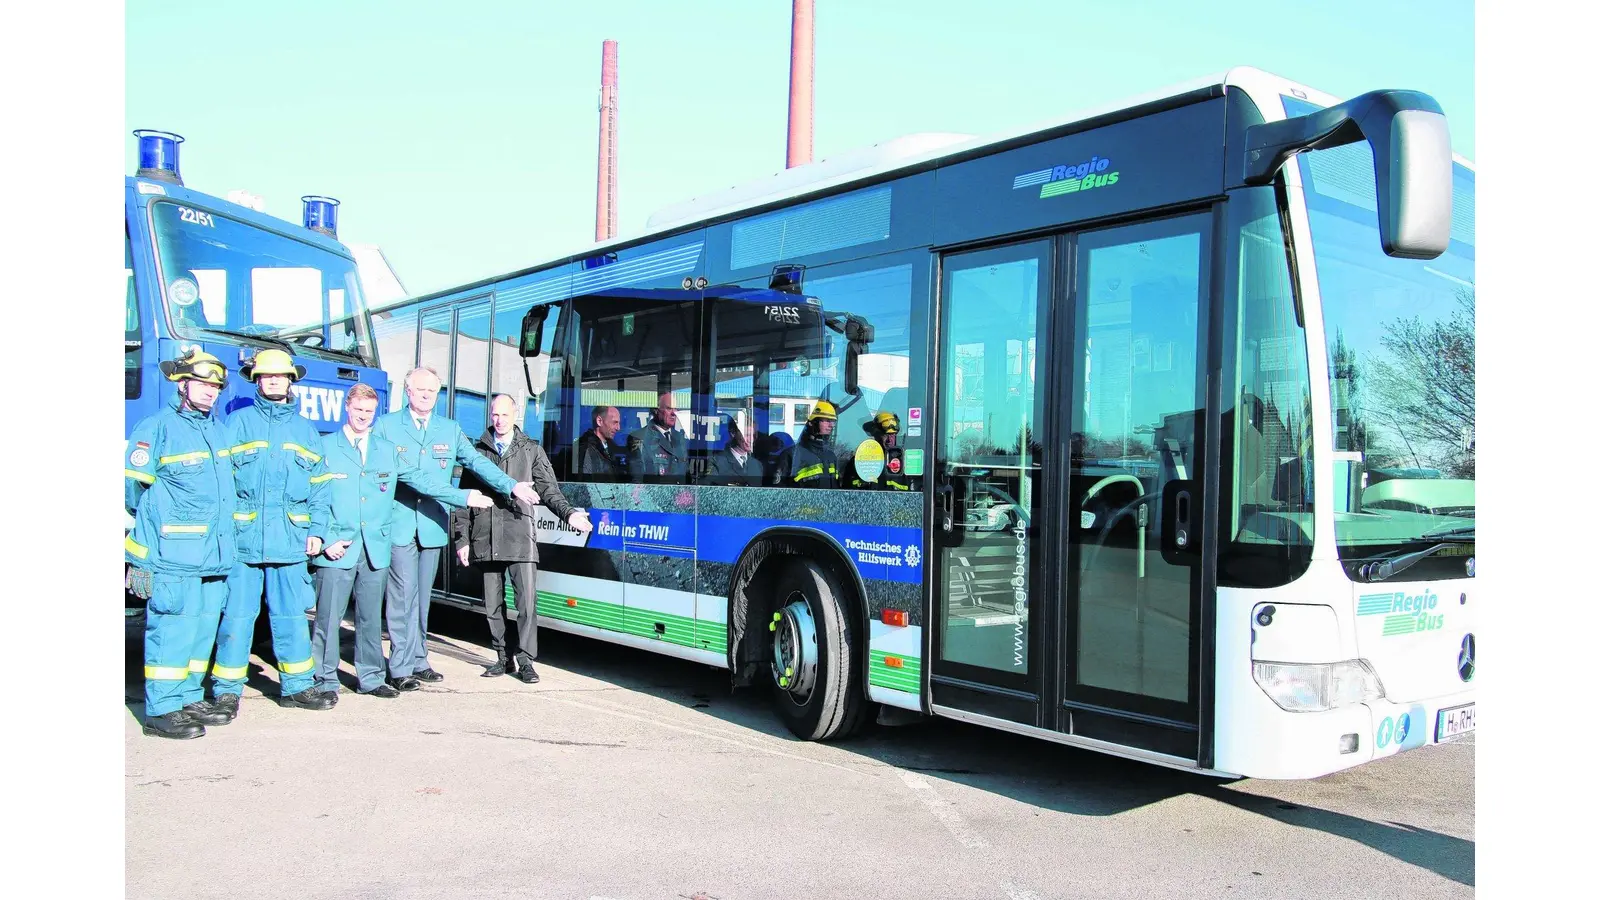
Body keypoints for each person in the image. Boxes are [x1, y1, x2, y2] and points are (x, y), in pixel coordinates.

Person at [307, 384, 493, 699]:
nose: (363, 417)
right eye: (358, 410)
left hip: (376, 549)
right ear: (346, 409)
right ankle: (323, 679)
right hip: (338, 549)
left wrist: (464, 495)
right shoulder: (325, 448)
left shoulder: (385, 449)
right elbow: (314, 498)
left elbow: (422, 481)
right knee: (328, 619)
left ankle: (371, 678)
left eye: (369, 411)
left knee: (369, 620)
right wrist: (325, 539)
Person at [373, 367, 538, 691]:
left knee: (421, 599)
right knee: (401, 597)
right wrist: (462, 496)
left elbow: (477, 463)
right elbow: (408, 476)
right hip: (401, 523)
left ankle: (419, 660)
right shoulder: (387, 426)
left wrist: (510, 486)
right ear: (407, 391)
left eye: (432, 391)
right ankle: (400, 666)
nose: (425, 396)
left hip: (431, 526)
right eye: (420, 390)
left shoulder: (448, 429)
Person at [208, 349, 335, 719]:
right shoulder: (236, 424)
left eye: (280, 376)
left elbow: (321, 488)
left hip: (290, 540)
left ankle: (296, 687)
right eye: (266, 376)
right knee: (236, 617)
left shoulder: (305, 430)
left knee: (291, 616)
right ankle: (227, 691)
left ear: (291, 381)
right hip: (243, 540)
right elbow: (219, 484)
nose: (274, 381)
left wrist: (317, 530)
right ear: (257, 381)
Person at [125, 349, 239, 739]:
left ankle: (188, 696)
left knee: (202, 630)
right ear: (182, 384)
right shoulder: (155, 428)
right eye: (203, 384)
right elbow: (132, 492)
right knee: (172, 629)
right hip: (174, 555)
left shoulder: (218, 430)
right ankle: (162, 708)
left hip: (214, 556)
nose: (210, 392)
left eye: (216, 387)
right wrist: (153, 542)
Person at [452, 394, 593, 683]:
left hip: (519, 534)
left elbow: (549, 490)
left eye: (504, 415)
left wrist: (569, 515)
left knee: (527, 602)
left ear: (516, 415)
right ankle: (502, 659)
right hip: (486, 535)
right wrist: (461, 539)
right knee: (492, 604)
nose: (499, 420)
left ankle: (526, 661)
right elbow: (463, 500)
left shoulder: (531, 450)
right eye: (494, 415)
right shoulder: (476, 451)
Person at [772, 400, 840, 488]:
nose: (831, 425)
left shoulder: (831, 456)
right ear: (812, 422)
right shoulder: (791, 455)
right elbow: (778, 493)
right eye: (827, 420)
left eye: (833, 421)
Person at [626, 392, 688, 482]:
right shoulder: (640, 438)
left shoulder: (680, 438)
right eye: (669, 408)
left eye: (676, 408)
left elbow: (685, 476)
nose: (674, 413)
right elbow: (637, 483)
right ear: (656, 410)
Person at [709, 410, 763, 485]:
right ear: (733, 433)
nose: (751, 440)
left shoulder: (757, 465)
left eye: (753, 435)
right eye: (747, 435)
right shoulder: (716, 462)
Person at [577, 405, 622, 478]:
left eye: (619, 423)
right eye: (614, 422)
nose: (618, 428)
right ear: (599, 421)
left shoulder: (610, 448)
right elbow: (586, 483)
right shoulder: (586, 450)